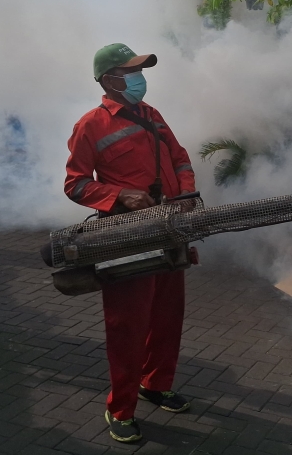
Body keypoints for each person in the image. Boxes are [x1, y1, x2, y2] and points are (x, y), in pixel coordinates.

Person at [64, 43, 196, 443]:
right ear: (109, 80)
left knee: (168, 314)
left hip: (169, 228)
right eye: (130, 72)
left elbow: (181, 158)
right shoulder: (90, 125)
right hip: (127, 236)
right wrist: (119, 194)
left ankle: (155, 384)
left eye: (140, 71)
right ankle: (120, 408)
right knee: (128, 323)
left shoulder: (152, 115)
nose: (139, 78)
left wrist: (186, 193)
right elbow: (75, 184)